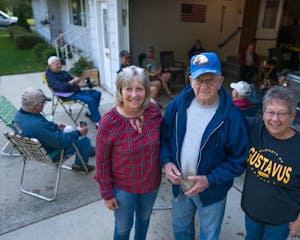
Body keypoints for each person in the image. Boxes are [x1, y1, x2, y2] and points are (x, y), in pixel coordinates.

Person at [160, 52, 249, 240]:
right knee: (181, 230)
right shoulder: (177, 106)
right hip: (180, 186)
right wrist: (167, 162)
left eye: (210, 79)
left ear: (220, 81)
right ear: (190, 80)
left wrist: (210, 180)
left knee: (209, 235)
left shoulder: (233, 117)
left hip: (212, 192)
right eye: (199, 79)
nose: (204, 85)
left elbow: (239, 160)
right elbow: (164, 140)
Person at [241, 86, 300, 240]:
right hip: (252, 213)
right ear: (263, 113)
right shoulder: (255, 128)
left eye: (282, 113)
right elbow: (226, 118)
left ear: (292, 116)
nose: (275, 119)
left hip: (280, 222)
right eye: (270, 112)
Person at [95, 65, 162, 240]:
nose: (134, 94)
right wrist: (107, 193)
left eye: (139, 89)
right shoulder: (108, 123)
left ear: (146, 91)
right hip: (124, 188)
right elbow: (101, 163)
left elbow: (165, 143)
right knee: (124, 228)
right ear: (120, 91)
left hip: (151, 183)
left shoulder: (153, 112)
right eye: (128, 89)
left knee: (144, 220)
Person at [12, 87, 95, 173]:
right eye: (43, 102)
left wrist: (55, 126)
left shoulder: (18, 116)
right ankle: (80, 165)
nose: (44, 105)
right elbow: (60, 142)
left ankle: (90, 150)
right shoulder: (38, 125)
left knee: (69, 129)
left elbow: (40, 130)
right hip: (53, 152)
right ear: (37, 106)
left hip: (36, 150)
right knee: (84, 141)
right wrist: (78, 132)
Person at [46, 56, 102, 127]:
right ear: (50, 65)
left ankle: (91, 113)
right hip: (68, 95)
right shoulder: (50, 76)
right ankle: (98, 122)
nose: (60, 66)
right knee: (90, 100)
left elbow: (75, 82)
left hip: (76, 91)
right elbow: (61, 87)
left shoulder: (63, 72)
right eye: (57, 64)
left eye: (60, 64)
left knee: (97, 93)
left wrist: (84, 84)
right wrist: (73, 81)